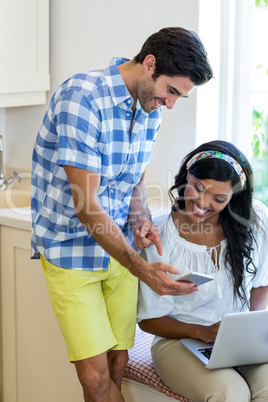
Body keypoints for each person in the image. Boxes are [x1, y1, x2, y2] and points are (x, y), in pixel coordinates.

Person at [31, 27, 213, 401]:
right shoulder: (83, 98)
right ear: (149, 65)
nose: (172, 103)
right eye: (172, 91)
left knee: (118, 363)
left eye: (181, 96)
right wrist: (143, 269)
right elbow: (88, 206)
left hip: (119, 250)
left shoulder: (151, 108)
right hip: (71, 252)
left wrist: (141, 218)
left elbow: (133, 179)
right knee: (96, 379)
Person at [137, 140, 268, 401]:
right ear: (188, 175)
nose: (201, 203)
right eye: (197, 188)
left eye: (218, 199)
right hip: (178, 343)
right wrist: (202, 332)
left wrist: (248, 329)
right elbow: (148, 320)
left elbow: (261, 284)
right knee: (231, 392)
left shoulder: (256, 219)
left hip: (237, 343)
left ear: (234, 197)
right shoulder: (159, 235)